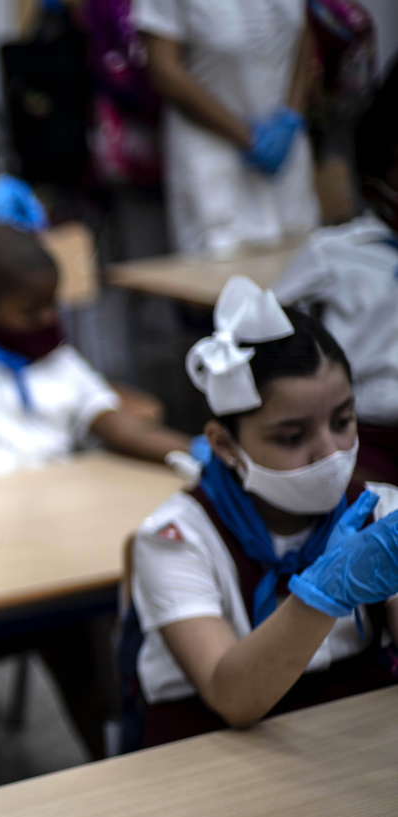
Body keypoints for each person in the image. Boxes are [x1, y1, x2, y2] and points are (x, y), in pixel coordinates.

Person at [130, 275, 398, 748]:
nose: (329, 453)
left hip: (343, 737)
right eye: (292, 438)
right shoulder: (175, 538)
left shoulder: (380, 510)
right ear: (224, 444)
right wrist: (326, 590)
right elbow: (231, 697)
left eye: (343, 421)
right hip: (207, 750)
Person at [0, 220, 191, 482]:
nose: (48, 318)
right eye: (30, 310)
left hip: (51, 500)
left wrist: (204, 453)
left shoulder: (58, 360)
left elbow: (121, 428)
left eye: (52, 304)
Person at [273, 62, 398, 484]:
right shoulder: (336, 252)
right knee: (367, 509)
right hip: (364, 431)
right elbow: (269, 319)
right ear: (373, 183)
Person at [135, 0, 319, 251]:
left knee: (298, 261)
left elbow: (302, 34)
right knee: (223, 270)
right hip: (212, 151)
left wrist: (292, 115)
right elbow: (164, 70)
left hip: (286, 148)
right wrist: (247, 137)